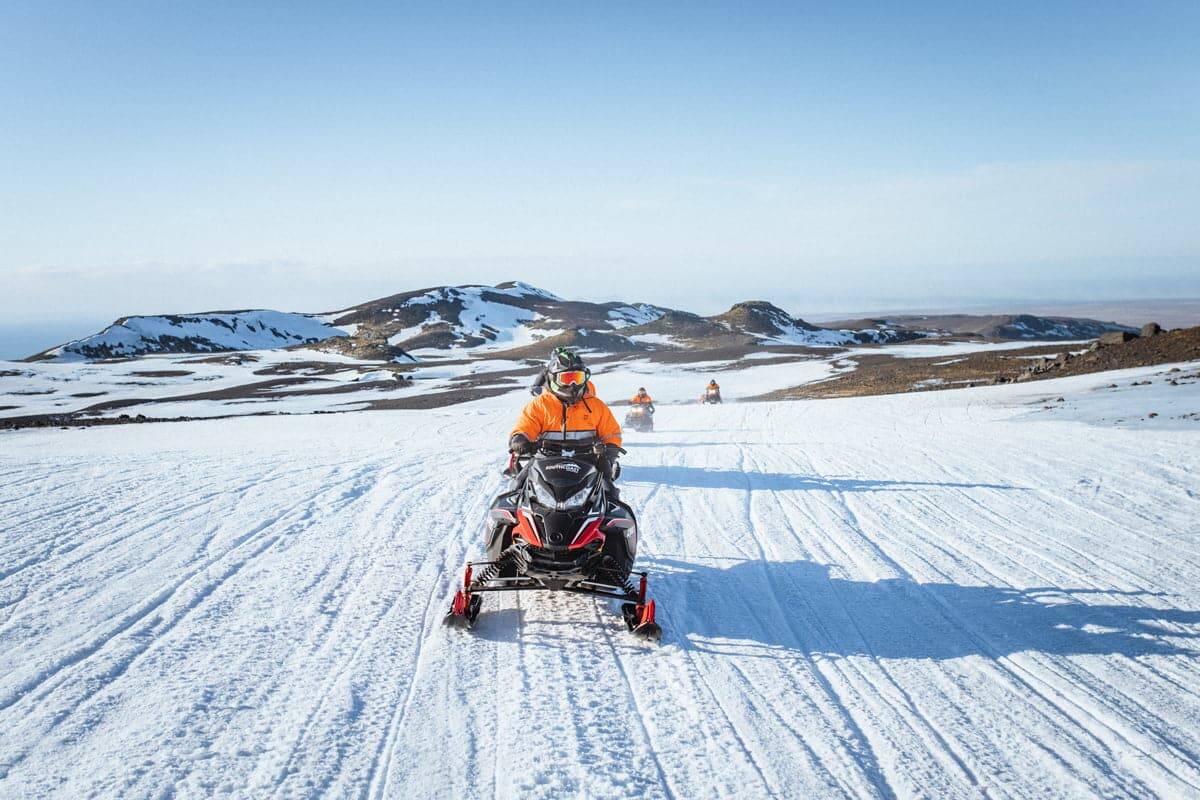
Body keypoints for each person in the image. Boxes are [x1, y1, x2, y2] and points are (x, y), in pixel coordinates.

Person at [509, 348, 624, 493]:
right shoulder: (540, 405)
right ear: (553, 378)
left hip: (588, 459)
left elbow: (611, 432)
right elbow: (525, 425)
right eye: (567, 379)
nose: (573, 385)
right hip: (544, 457)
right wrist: (520, 438)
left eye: (578, 378)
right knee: (517, 487)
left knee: (609, 491)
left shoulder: (596, 405)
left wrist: (610, 451)